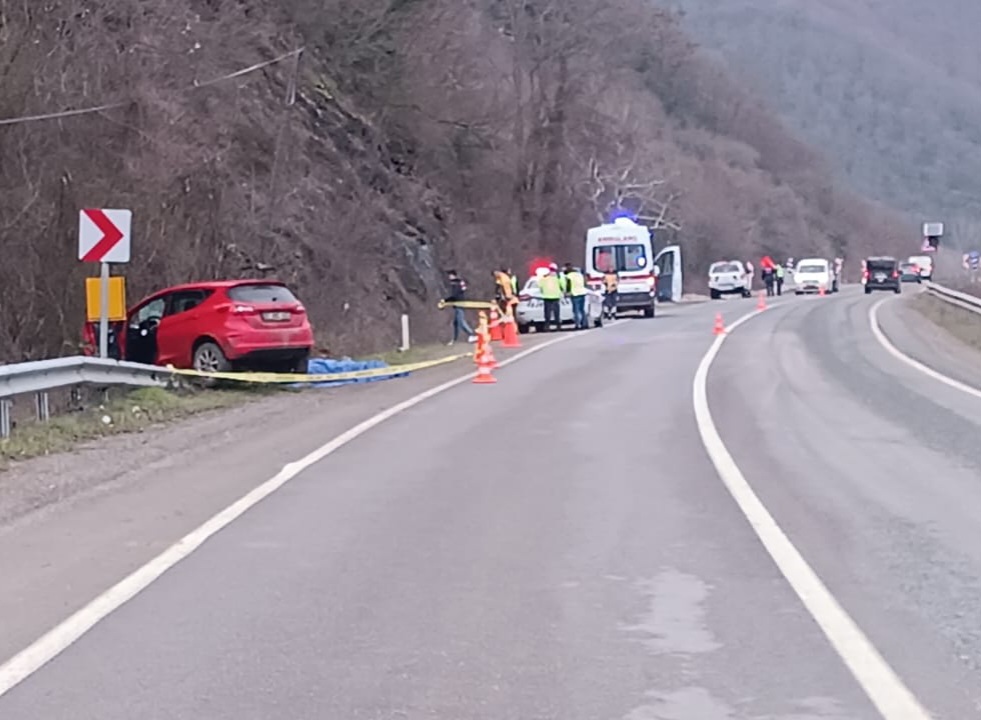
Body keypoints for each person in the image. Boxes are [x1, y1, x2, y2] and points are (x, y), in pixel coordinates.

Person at [443, 270, 477, 345]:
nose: (449, 277)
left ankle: (472, 334)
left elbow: (455, 295)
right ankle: (455, 339)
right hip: (457, 304)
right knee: (455, 323)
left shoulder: (456, 284)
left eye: (450, 275)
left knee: (461, 322)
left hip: (459, 304)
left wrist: (445, 300)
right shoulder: (457, 283)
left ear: (453, 275)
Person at [563, 262, 588, 329]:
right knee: (582, 309)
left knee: (576, 310)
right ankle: (584, 323)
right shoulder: (579, 275)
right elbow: (584, 283)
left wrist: (567, 293)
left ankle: (577, 324)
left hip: (575, 294)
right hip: (582, 293)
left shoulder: (569, 276)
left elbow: (568, 286)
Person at [539, 263, 563, 331]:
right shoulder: (558, 277)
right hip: (555, 296)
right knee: (556, 312)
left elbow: (540, 285)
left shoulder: (544, 277)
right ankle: (558, 326)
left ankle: (547, 326)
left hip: (547, 296)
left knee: (547, 313)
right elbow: (562, 285)